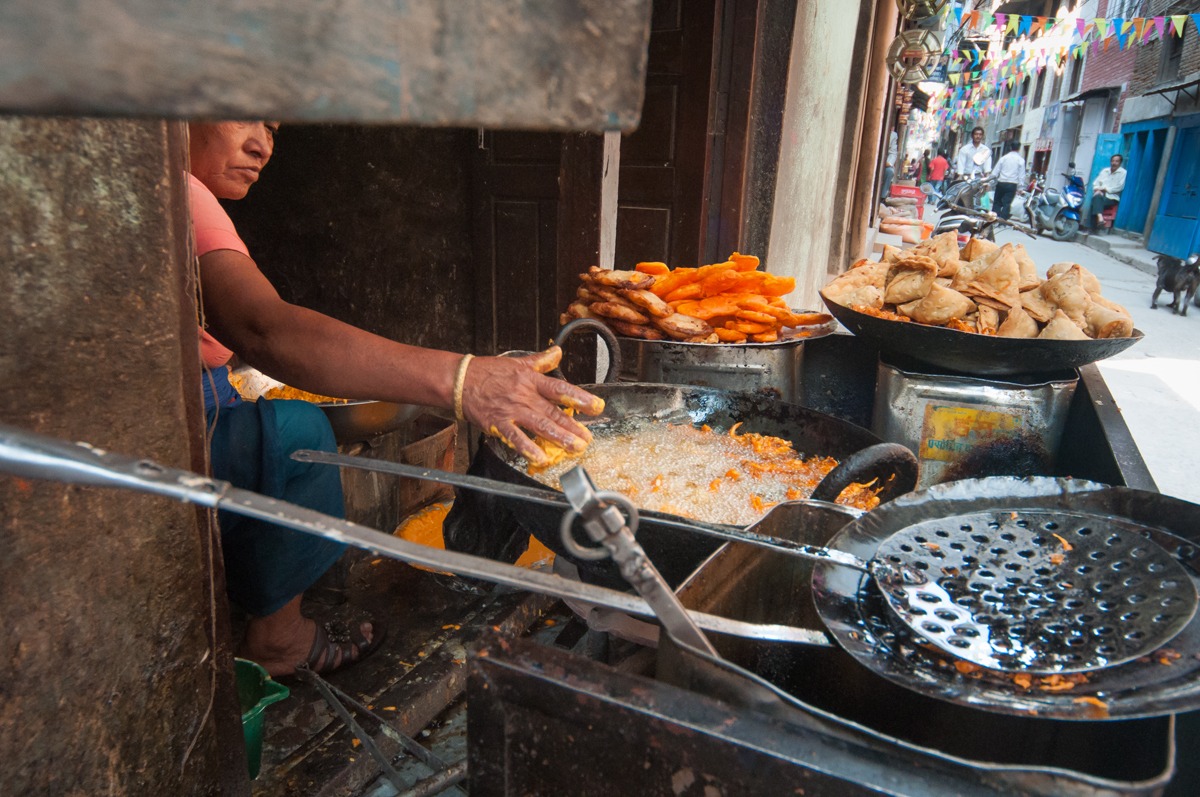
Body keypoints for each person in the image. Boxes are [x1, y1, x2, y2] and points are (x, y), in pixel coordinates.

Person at [189, 121, 605, 677]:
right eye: (242, 114)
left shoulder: (190, 198)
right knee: (297, 434)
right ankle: (280, 638)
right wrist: (464, 380)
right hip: (175, 424)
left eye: (272, 126)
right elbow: (264, 330)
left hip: (200, 399)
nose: (262, 144)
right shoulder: (180, 192)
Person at [1091, 153, 1127, 233]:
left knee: (1096, 200)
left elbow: (1119, 187)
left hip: (1112, 197)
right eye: (1113, 161)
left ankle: (1094, 226)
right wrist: (1097, 189)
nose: (1114, 163)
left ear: (1120, 163)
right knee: (1097, 198)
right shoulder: (1105, 171)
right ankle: (1100, 220)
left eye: (1116, 161)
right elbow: (1096, 183)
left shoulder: (1123, 173)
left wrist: (1104, 189)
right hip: (1100, 194)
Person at [990, 141, 1026, 221]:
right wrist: (1020, 187)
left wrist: (990, 181)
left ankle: (994, 218)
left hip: (1001, 183)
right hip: (1012, 184)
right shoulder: (1020, 160)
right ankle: (1002, 221)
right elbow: (1021, 175)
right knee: (1007, 203)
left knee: (997, 202)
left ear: (1010, 147)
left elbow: (995, 171)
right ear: (1019, 148)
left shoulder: (1003, 158)